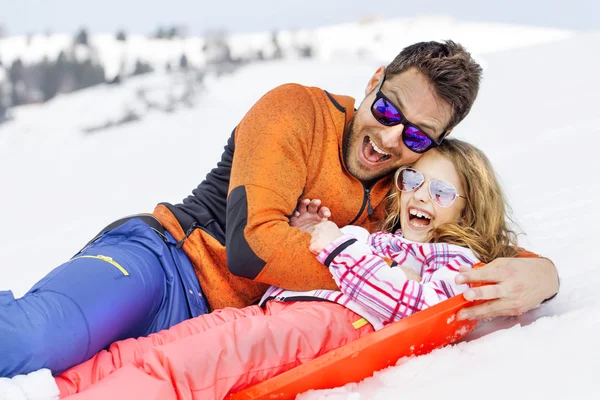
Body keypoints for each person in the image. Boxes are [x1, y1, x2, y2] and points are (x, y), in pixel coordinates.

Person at [0, 40, 559, 378]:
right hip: (162, 263)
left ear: (434, 143)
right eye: (387, 109)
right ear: (373, 82)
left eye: (416, 136)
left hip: (214, 330)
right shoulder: (294, 110)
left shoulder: (406, 192)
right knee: (35, 344)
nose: (389, 139)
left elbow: (465, 248)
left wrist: (542, 274)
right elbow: (253, 247)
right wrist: (373, 272)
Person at [1, 138, 532, 400]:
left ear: (469, 207)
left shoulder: (455, 260)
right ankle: (48, 389)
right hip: (266, 312)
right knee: (144, 352)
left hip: (321, 328)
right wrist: (308, 233)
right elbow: (311, 265)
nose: (420, 196)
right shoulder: (378, 237)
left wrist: (338, 250)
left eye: (440, 192)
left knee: (182, 368)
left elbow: (414, 306)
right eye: (413, 181)